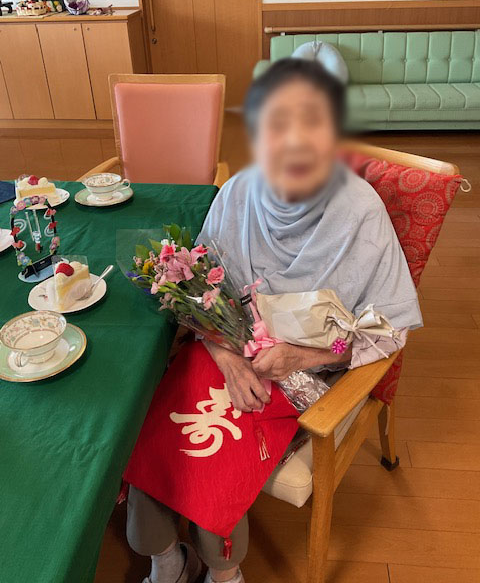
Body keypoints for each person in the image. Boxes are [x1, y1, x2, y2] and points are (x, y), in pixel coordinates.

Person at [126, 58, 422, 583]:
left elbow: (387, 331)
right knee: (156, 435)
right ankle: (166, 559)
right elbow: (200, 291)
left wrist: (299, 357)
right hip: (222, 349)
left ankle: (225, 573)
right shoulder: (239, 191)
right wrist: (224, 355)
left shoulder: (360, 213)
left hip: (302, 372)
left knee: (220, 452)